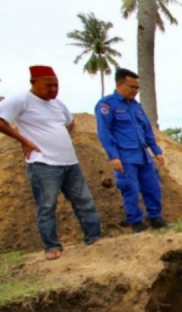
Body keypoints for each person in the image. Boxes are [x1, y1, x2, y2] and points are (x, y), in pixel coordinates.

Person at [0, 65, 101, 260]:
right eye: (48, 86)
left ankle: (94, 238)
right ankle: (52, 246)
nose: (53, 90)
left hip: (70, 162)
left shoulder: (58, 104)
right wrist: (24, 140)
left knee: (84, 201)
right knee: (47, 205)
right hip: (43, 163)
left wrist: (56, 137)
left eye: (56, 85)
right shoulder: (21, 100)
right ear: (34, 83)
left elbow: (70, 123)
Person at [95, 68, 168, 232]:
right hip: (124, 156)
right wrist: (113, 156)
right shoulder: (107, 105)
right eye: (132, 87)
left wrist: (156, 151)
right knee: (130, 189)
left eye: (137, 88)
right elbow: (104, 132)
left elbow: (147, 130)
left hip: (143, 155)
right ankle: (135, 222)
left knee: (152, 186)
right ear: (120, 84)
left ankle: (155, 218)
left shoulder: (137, 107)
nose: (135, 91)